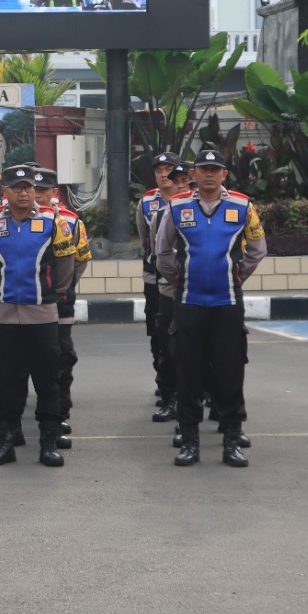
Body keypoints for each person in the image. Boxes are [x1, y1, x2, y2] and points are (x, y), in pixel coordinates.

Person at [152, 149, 267, 468]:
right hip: (188, 302)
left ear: (224, 174)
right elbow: (162, 252)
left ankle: (232, 438)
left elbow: (257, 250)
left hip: (227, 302)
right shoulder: (177, 207)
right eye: (203, 169)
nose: (209, 174)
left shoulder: (243, 206)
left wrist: (235, 275)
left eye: (215, 169)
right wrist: (180, 276)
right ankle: (189, 440)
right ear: (194, 173)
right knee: (188, 370)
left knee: (231, 370)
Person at [0, 165, 78, 467]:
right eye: (17, 187)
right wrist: (1, 291)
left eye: (28, 187)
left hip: (42, 315)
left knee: (47, 380)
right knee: (5, 381)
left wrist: (48, 294)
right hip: (4, 317)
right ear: (5, 192)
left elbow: (65, 266)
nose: (24, 192)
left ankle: (48, 442)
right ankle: (6, 441)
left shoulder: (53, 222)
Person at [36, 168, 91, 448]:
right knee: (24, 364)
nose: (35, 196)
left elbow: (79, 260)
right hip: (26, 307)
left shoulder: (69, 221)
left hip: (59, 305)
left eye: (42, 191)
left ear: (53, 193)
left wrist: (61, 287)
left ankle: (60, 414)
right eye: (31, 190)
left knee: (61, 360)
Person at [137, 152, 180, 420]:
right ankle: (165, 384)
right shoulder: (146, 202)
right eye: (159, 170)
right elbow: (147, 240)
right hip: (155, 279)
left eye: (168, 170)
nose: (163, 174)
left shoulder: (189, 200)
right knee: (159, 333)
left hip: (187, 281)